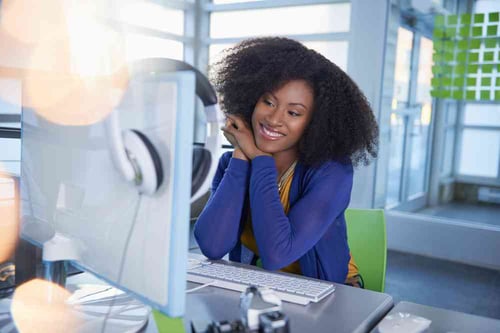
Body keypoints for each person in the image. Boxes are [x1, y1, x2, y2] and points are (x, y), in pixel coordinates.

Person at [194, 37, 378, 287]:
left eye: (293, 113)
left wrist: (259, 158)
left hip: (332, 292)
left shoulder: (332, 171)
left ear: (315, 122)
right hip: (263, 286)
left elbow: (277, 253)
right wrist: (241, 153)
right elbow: (212, 245)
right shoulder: (232, 163)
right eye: (268, 102)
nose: (273, 119)